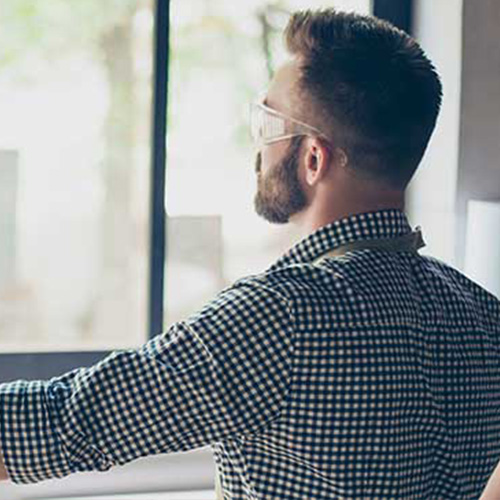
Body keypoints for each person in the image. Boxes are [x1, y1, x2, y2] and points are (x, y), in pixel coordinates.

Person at [0, 7, 499, 500]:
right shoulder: (484, 316)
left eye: (267, 121)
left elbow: (58, 423)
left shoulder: (280, 317)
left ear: (312, 158)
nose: (258, 146)